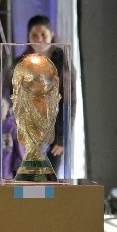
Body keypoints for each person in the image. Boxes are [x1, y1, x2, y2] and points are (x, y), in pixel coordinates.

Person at [12, 15, 76, 176]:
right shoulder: (20, 62)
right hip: (26, 132)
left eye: (43, 35)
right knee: (25, 179)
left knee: (48, 181)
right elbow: (12, 96)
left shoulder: (63, 62)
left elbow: (69, 102)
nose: (39, 39)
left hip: (54, 133)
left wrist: (61, 137)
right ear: (28, 37)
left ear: (51, 35)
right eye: (34, 35)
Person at [0, 98, 23, 180]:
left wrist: (20, 165)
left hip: (5, 172)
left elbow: (19, 150)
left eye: (3, 107)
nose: (0, 110)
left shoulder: (11, 127)